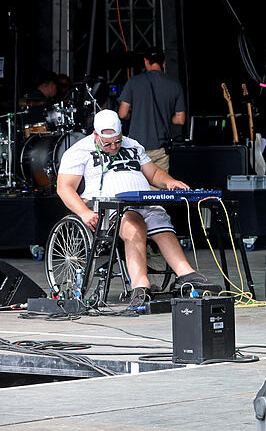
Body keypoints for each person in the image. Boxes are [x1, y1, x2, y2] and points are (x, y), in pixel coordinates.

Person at [56, 110, 216, 308]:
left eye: (117, 141)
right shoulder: (78, 151)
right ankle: (140, 286)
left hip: (144, 202)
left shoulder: (132, 144)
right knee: (134, 222)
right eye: (107, 144)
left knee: (161, 222)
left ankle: (185, 274)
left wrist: (170, 182)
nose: (113, 147)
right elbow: (64, 188)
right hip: (110, 208)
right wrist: (83, 212)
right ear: (96, 135)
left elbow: (153, 173)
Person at [117, 47, 186, 173]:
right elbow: (180, 119)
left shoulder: (133, 82)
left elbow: (122, 114)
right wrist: (166, 116)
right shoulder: (175, 85)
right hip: (160, 148)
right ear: (164, 63)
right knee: (160, 184)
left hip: (136, 149)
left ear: (146, 61)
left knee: (137, 183)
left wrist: (136, 114)